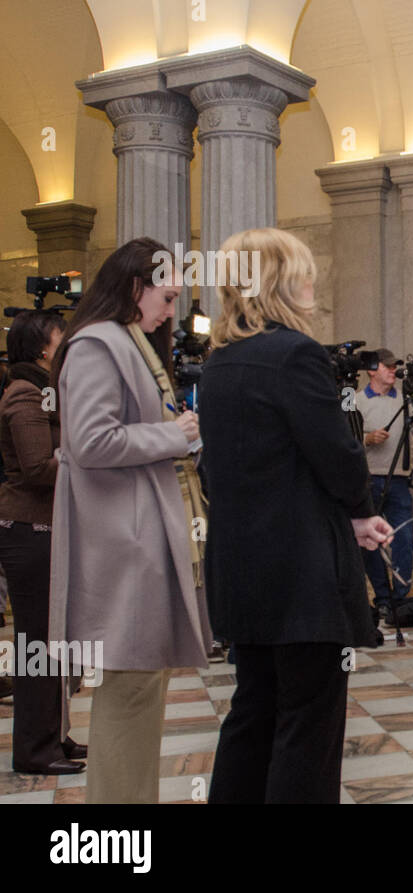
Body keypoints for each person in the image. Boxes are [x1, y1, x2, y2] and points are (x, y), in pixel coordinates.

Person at [201, 227, 393, 803]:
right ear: (280, 282)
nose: (313, 282)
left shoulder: (219, 362)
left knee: (253, 712)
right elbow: (337, 454)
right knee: (307, 725)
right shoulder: (296, 354)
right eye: (303, 272)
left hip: (241, 568)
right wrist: (360, 511)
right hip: (300, 574)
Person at [48, 237, 211, 802]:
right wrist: (174, 435)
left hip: (142, 530)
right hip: (122, 541)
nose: (171, 311)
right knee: (131, 686)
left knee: (144, 683)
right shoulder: (97, 344)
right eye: (165, 298)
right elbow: (90, 440)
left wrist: (174, 430)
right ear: (135, 287)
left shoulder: (127, 339)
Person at [0, 310, 87, 775]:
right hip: (28, 531)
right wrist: (87, 465)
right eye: (60, 334)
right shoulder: (25, 392)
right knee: (35, 642)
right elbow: (36, 467)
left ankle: (54, 736)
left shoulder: (44, 390)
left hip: (47, 530)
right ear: (41, 346)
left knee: (54, 641)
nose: (67, 341)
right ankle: (34, 750)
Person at [356, 349, 413, 621]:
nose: (393, 370)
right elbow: (342, 439)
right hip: (368, 478)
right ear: (371, 370)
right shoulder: (354, 401)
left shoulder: (405, 401)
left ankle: (401, 597)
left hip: (399, 480)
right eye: (387, 366)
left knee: (404, 538)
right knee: (371, 542)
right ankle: (382, 597)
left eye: (394, 366)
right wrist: (366, 439)